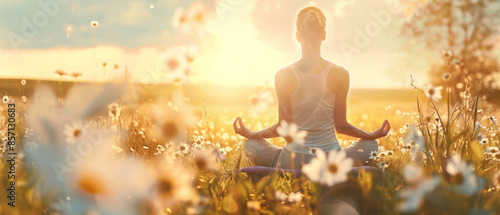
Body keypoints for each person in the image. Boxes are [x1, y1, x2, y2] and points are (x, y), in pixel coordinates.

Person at [233, 6, 390, 171]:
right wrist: (371, 135)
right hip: (331, 161)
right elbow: (341, 126)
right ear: (324, 35)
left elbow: (282, 126)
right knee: (371, 145)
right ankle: (341, 173)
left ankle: (286, 172)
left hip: (292, 160)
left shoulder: (283, 75)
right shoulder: (340, 74)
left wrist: (251, 134)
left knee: (251, 144)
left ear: (297, 36)